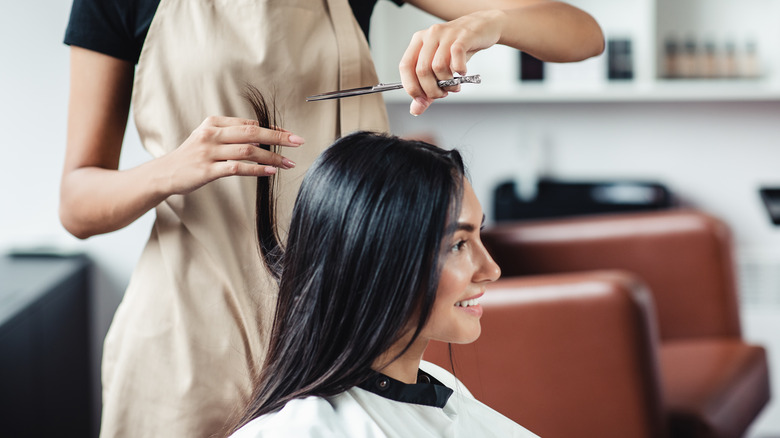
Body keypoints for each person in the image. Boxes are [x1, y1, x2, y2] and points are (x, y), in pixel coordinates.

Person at [61, 0, 603, 436]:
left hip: (345, 326)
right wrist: (171, 168)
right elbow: (77, 204)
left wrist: (489, 22)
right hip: (191, 330)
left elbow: (583, 34)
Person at [229, 128, 527, 437]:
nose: (491, 270)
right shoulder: (303, 430)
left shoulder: (445, 388)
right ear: (375, 258)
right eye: (457, 244)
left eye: (479, 234)